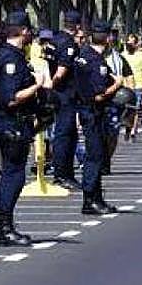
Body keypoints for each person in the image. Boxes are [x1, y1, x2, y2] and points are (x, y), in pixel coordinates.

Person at [0, 10, 48, 246]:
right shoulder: (11, 59)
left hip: (17, 123)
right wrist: (38, 86)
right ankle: (4, 229)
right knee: (13, 177)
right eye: (29, 32)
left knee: (13, 175)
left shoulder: (9, 55)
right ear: (23, 31)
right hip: (12, 124)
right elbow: (11, 98)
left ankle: (6, 226)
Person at [74, 21, 122, 215]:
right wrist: (116, 85)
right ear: (108, 37)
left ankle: (97, 198)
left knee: (99, 155)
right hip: (92, 112)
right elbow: (98, 95)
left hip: (91, 111)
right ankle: (90, 200)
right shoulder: (94, 60)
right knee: (94, 157)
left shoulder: (86, 56)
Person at [49, 11, 85, 190]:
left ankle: (64, 173)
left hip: (61, 95)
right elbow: (61, 71)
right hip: (65, 95)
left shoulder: (54, 40)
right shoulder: (68, 44)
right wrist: (53, 86)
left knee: (67, 134)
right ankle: (62, 175)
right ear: (77, 25)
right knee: (65, 135)